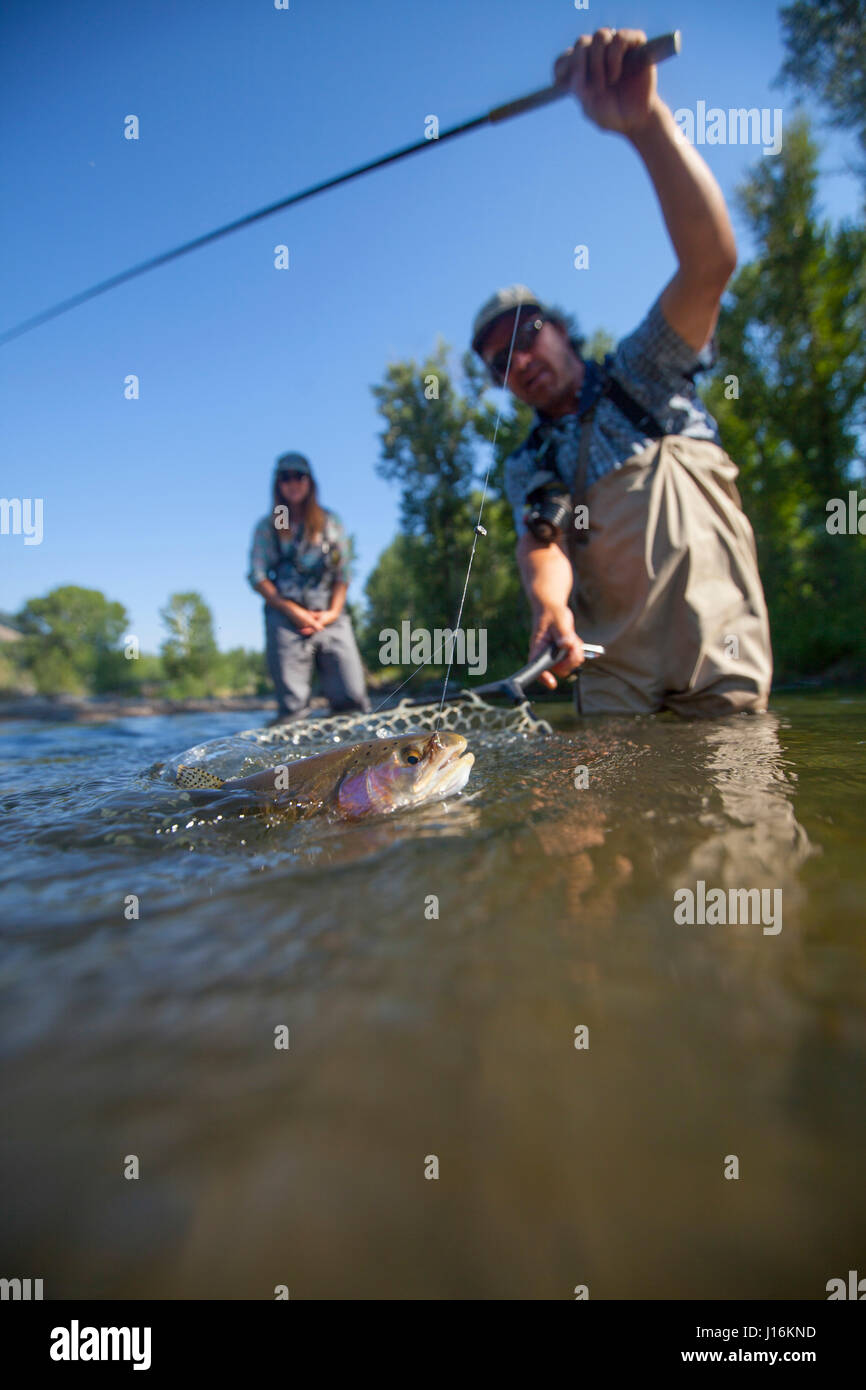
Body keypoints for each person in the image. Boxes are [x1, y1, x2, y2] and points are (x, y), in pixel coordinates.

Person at [471, 27, 773, 718]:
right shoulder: (529, 461)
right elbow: (540, 543)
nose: (517, 359)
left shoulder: (646, 369)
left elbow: (711, 263)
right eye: (498, 361)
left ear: (562, 330)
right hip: (610, 672)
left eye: (526, 334)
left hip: (716, 649)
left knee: (738, 805)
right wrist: (549, 605)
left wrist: (645, 127)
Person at [248, 452, 370, 724]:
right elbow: (257, 576)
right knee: (293, 710)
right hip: (284, 619)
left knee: (352, 699)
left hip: (331, 616)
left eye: (299, 476)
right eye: (285, 477)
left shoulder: (331, 522)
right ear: (277, 484)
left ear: (310, 482)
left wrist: (331, 614)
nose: (293, 482)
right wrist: (293, 611)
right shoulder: (269, 526)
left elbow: (344, 573)